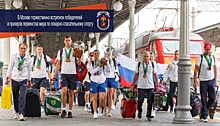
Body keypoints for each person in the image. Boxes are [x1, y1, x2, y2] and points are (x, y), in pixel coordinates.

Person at [53, 35, 81, 118]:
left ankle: (70, 111)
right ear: (64, 41)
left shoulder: (74, 51)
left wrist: (79, 56)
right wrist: (54, 75)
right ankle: (64, 109)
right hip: (64, 73)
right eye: (66, 40)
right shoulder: (61, 51)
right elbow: (58, 63)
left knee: (71, 93)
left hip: (73, 73)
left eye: (69, 40)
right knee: (64, 91)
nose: (68, 42)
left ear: (71, 41)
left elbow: (79, 64)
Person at [5, 43, 32, 121]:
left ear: (26, 49)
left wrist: (29, 80)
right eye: (21, 48)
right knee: (15, 96)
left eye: (24, 48)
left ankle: (21, 113)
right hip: (15, 78)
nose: (23, 50)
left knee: (22, 96)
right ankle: (16, 111)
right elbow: (10, 67)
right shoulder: (14, 57)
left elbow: (29, 70)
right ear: (19, 48)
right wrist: (7, 78)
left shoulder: (28, 58)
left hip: (23, 79)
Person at [193, 42, 219, 122]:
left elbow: (215, 69)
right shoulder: (200, 58)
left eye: (209, 49)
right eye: (207, 49)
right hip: (203, 81)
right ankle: (205, 115)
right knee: (203, 98)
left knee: (213, 98)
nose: (208, 51)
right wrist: (195, 79)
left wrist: (215, 81)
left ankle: (204, 110)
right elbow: (196, 70)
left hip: (211, 80)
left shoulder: (213, 57)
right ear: (204, 49)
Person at [130, 51, 158, 121]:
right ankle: (139, 110)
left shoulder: (152, 64)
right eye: (145, 56)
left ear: (149, 57)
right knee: (140, 101)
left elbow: (155, 74)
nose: (146, 58)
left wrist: (157, 84)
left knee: (150, 101)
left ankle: (148, 115)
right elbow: (136, 74)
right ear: (143, 57)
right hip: (141, 86)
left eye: (147, 56)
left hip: (150, 86)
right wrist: (133, 84)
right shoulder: (139, 64)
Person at [31, 45, 53, 112]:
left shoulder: (46, 57)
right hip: (34, 77)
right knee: (35, 93)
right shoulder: (33, 59)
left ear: (42, 50)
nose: (40, 51)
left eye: (41, 49)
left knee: (42, 91)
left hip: (43, 77)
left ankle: (42, 105)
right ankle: (35, 105)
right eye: (38, 49)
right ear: (36, 50)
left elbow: (53, 61)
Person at [87, 50, 107, 119]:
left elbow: (108, 69)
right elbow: (91, 72)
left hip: (101, 80)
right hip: (94, 80)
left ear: (99, 54)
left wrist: (107, 62)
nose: (96, 55)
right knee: (94, 97)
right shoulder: (91, 63)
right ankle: (95, 112)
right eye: (94, 54)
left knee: (102, 97)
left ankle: (100, 108)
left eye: (97, 54)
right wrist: (99, 67)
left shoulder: (102, 61)